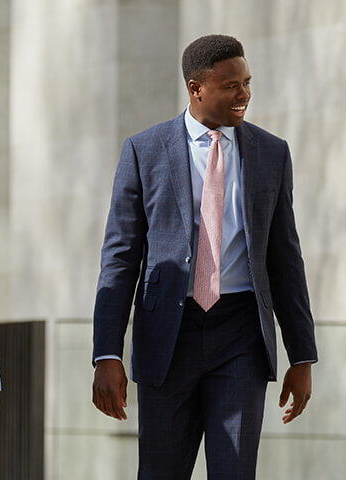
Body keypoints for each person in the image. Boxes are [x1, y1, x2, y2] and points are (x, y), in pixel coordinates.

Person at [92, 34, 318, 479]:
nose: (244, 94)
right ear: (197, 88)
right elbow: (119, 258)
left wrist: (302, 354)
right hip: (167, 337)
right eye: (232, 85)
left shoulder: (272, 153)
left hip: (241, 334)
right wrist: (106, 353)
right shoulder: (145, 150)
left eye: (247, 82)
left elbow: (285, 258)